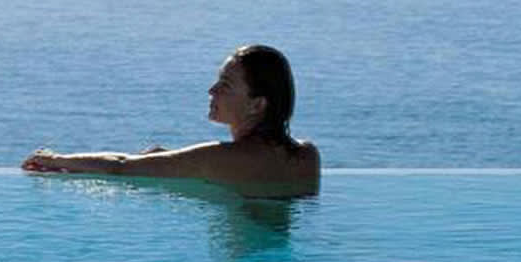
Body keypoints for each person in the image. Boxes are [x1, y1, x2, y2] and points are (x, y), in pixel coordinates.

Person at [22, 44, 320, 197]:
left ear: (257, 104)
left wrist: (55, 159)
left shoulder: (219, 158)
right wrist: (172, 159)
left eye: (225, 85)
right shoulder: (308, 155)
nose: (211, 90)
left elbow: (121, 167)